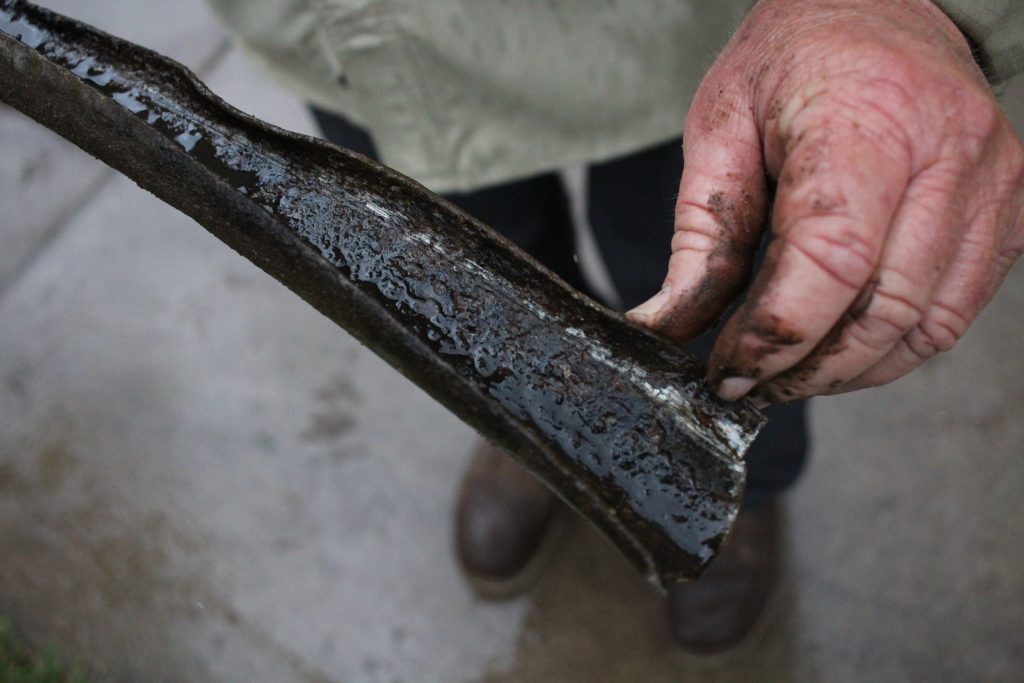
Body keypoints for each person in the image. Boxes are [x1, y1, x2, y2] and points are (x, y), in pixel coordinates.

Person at [207, 0, 1024, 655]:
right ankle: (529, 432)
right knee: (456, 282)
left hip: (677, 32)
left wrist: (914, 9)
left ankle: (733, 484)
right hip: (358, 35)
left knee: (709, 287)